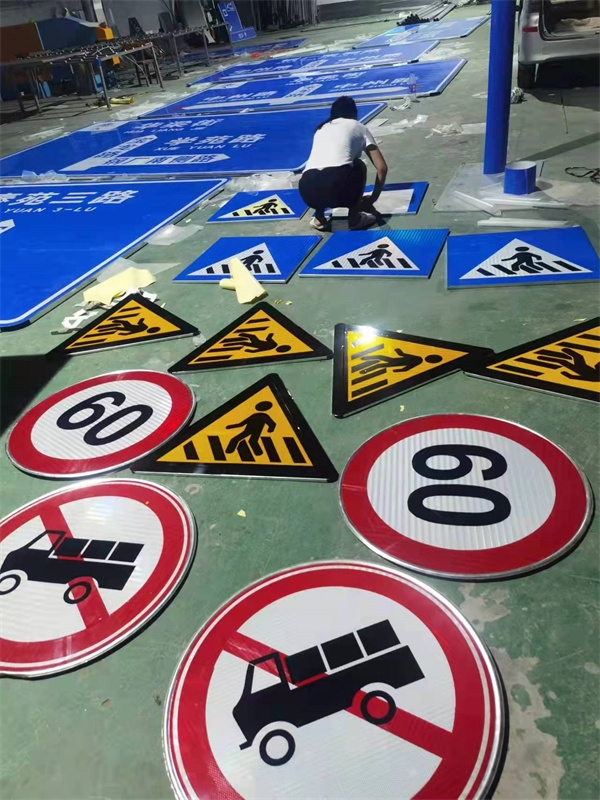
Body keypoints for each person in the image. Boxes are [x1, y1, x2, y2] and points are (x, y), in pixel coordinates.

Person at [299, 96, 388, 232]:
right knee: (358, 165)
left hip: (307, 190)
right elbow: (382, 167)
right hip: (339, 187)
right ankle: (354, 218)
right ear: (354, 113)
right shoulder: (358, 126)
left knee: (320, 171)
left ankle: (319, 218)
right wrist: (372, 199)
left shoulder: (320, 129)